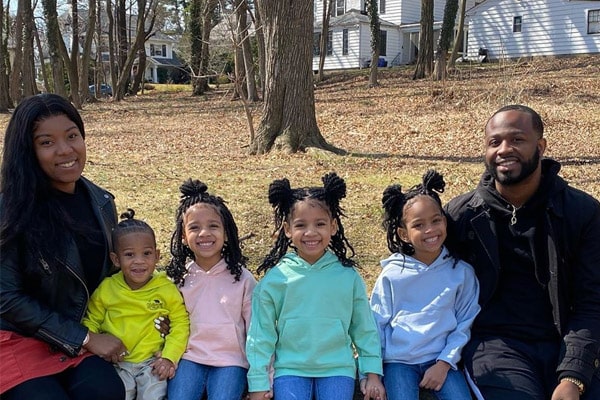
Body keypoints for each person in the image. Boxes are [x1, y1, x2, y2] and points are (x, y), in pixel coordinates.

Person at [445, 104, 600, 400]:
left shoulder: (582, 213)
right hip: (494, 345)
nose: (504, 149)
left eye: (517, 139)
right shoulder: (461, 216)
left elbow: (592, 301)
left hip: (567, 337)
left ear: (540, 147)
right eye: (495, 142)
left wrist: (573, 376)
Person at [0, 93, 125, 399]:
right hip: (14, 335)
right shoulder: (10, 210)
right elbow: (6, 297)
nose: (66, 150)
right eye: (47, 142)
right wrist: (85, 338)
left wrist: (148, 311)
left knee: (106, 391)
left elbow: (112, 278)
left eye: (72, 136)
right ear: (28, 151)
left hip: (75, 332)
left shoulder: (101, 202)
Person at [246, 172, 386, 400]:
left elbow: (364, 329)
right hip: (289, 369)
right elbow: (260, 334)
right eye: (301, 225)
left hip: (338, 368)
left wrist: (371, 373)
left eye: (320, 224)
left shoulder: (347, 277)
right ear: (287, 229)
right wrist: (258, 381)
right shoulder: (275, 279)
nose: (310, 232)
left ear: (333, 226)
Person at [369, 170, 480, 400]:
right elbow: (376, 325)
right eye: (418, 225)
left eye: (436, 220)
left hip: (441, 360)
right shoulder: (392, 275)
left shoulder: (461, 273)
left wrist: (445, 362)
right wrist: (372, 373)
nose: (430, 230)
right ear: (404, 234)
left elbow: (465, 322)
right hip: (398, 362)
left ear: (445, 221)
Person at [82, 209, 190, 400]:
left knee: (152, 396)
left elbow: (181, 324)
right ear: (116, 259)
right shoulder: (107, 288)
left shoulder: (166, 288)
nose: (139, 261)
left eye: (146, 253)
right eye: (129, 254)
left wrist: (169, 356)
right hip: (116, 362)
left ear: (157, 256)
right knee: (117, 394)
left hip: (152, 363)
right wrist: (94, 345)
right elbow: (92, 320)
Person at [166, 179, 257, 400]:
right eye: (194, 227)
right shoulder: (178, 279)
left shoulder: (243, 279)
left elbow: (256, 330)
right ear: (183, 237)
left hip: (231, 361)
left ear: (226, 233)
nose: (204, 233)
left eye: (213, 226)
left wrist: (261, 376)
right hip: (189, 358)